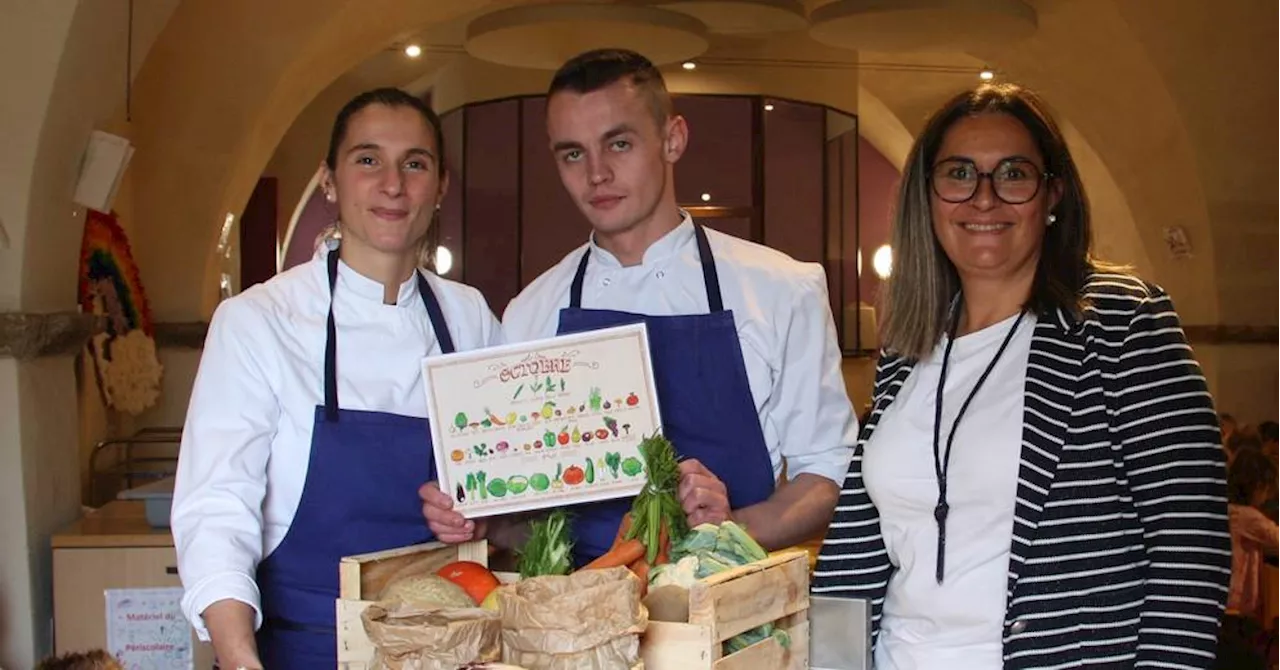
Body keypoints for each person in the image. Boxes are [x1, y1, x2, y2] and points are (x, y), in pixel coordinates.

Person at [812, 83, 1229, 668]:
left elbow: (1190, 545)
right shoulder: (909, 346)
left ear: (1052, 193)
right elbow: (856, 548)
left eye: (1013, 174)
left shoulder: (1119, 322)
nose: (984, 199)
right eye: (958, 174)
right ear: (927, 198)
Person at [420, 48, 858, 565]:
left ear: (672, 139)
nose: (597, 174)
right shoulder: (531, 311)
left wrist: (734, 526)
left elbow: (826, 472)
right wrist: (482, 513)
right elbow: (521, 527)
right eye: (573, 154)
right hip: (578, 620)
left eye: (619, 144)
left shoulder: (782, 289)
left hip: (731, 620)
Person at [170, 87, 502, 669]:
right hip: (302, 648)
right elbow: (217, 509)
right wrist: (238, 656)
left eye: (415, 164)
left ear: (441, 185)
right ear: (329, 181)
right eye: (368, 160)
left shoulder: (470, 316)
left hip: (447, 649)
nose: (393, 184)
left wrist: (480, 507)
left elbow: (510, 473)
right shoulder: (257, 321)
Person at [1217, 437, 1279, 670]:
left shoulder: (1226, 509)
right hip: (1237, 609)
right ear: (1257, 486)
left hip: (1223, 604)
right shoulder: (1248, 517)